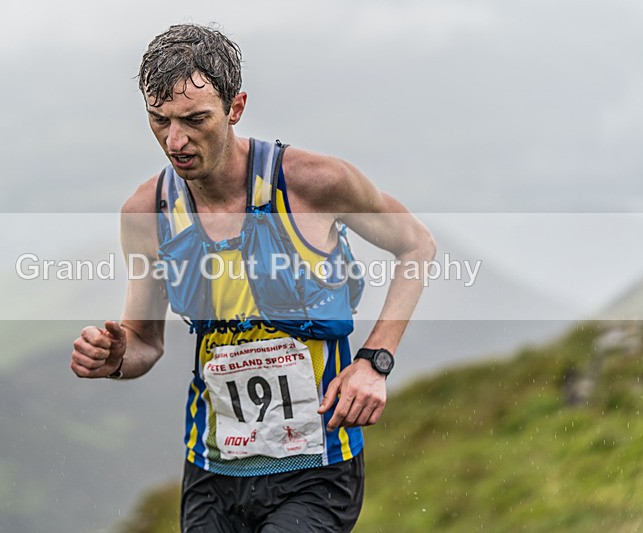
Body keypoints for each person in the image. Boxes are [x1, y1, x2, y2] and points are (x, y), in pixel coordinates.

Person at [71, 23, 436, 532]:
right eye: (159, 121)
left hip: (316, 468)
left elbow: (417, 245)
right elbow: (144, 343)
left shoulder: (313, 183)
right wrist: (114, 357)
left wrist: (375, 360)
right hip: (211, 470)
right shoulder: (146, 212)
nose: (175, 141)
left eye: (195, 119)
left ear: (235, 108)